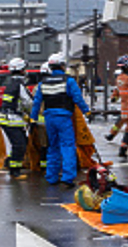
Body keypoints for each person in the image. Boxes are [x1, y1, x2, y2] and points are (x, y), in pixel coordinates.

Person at [30, 52, 90, 187]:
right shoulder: (68, 81)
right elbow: (78, 98)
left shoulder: (42, 83)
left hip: (49, 118)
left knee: (53, 146)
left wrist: (33, 119)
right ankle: (68, 178)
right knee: (68, 146)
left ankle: (51, 177)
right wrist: (87, 112)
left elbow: (37, 102)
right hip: (64, 117)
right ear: (62, 66)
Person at [0, 57, 34, 180]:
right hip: (12, 119)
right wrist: (32, 115)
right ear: (22, 70)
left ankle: (11, 163)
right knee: (20, 145)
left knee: (19, 143)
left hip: (8, 119)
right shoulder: (19, 85)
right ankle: (15, 171)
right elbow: (28, 103)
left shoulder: (11, 84)